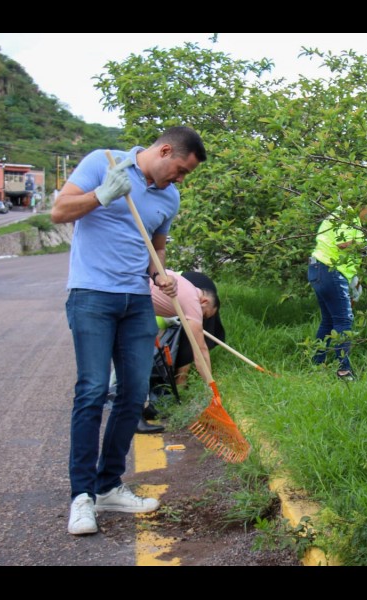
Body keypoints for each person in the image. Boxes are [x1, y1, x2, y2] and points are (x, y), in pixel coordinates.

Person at [51, 126, 207, 536]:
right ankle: (82, 497)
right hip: (91, 294)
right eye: (180, 169)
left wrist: (160, 275)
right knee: (91, 391)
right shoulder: (103, 163)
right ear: (165, 150)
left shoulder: (169, 197)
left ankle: (108, 486)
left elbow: (157, 247)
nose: (180, 179)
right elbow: (60, 212)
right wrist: (101, 195)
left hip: (136, 300)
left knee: (135, 393)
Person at [139, 270, 225, 433]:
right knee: (136, 361)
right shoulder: (193, 301)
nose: (202, 319)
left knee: (139, 359)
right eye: (205, 315)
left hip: (134, 301)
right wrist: (212, 388)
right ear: (205, 301)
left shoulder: (186, 290)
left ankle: (138, 409)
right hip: (124, 296)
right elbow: (200, 351)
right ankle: (133, 415)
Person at [308, 206, 367, 381]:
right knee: (344, 320)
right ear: (363, 205)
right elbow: (342, 244)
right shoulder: (348, 215)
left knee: (328, 321)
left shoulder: (341, 213)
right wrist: (366, 244)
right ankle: (344, 371)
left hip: (319, 269)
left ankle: (317, 364)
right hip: (330, 271)